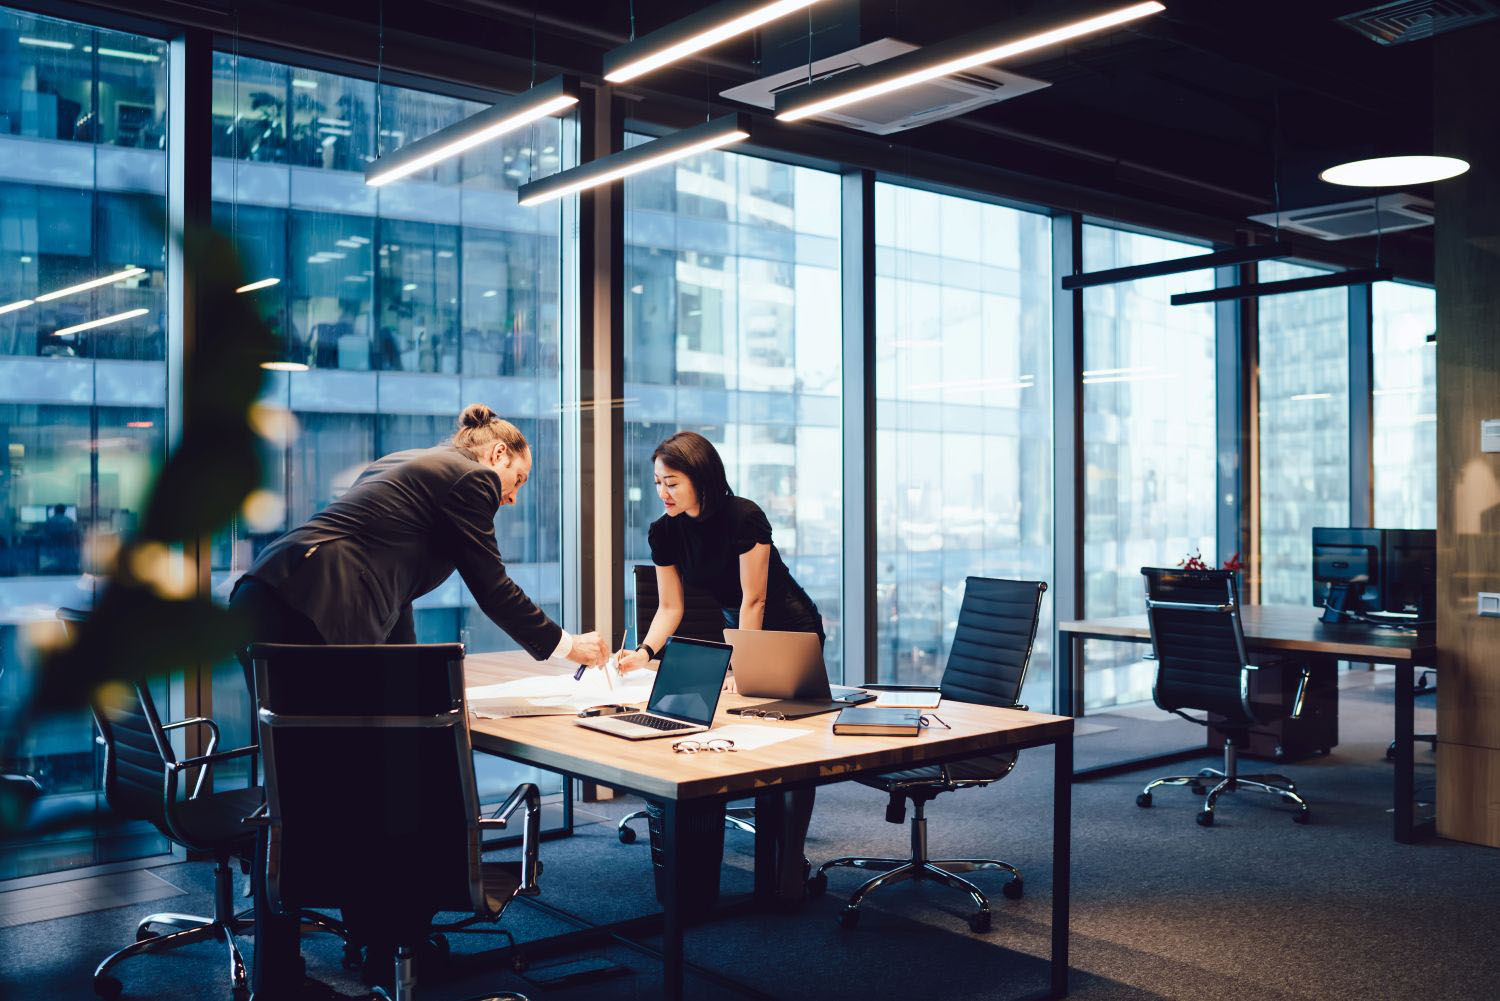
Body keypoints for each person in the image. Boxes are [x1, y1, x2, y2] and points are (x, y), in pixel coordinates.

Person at [230, 403, 608, 995]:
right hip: (310, 610)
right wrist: (566, 645)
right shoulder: (471, 477)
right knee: (360, 786)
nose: (511, 498)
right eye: (519, 481)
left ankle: (337, 950)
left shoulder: (407, 462)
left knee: (298, 781)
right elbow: (493, 586)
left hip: (271, 595)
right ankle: (380, 948)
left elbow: (393, 587)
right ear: (499, 455)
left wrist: (406, 687)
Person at [615, 430, 823, 902]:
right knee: (748, 728)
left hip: (786, 628)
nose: (662, 493)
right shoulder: (664, 532)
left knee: (793, 747)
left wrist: (742, 664)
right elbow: (670, 608)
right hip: (738, 626)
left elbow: (757, 598)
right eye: (657, 483)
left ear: (701, 479)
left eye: (672, 482)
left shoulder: (742, 517)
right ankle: (767, 862)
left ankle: (788, 865)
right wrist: (644, 653)